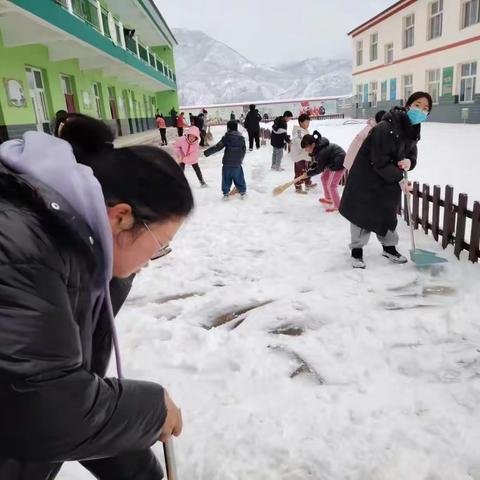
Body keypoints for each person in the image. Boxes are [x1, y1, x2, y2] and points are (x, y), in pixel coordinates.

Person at [0, 113, 193, 479]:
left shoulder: (77, 252)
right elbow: (43, 408)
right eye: (159, 246)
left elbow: (76, 390)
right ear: (121, 217)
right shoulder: (18, 244)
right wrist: (152, 410)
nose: (152, 261)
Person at [339, 91, 433, 269]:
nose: (421, 110)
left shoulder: (413, 129)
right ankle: (356, 252)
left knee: (388, 214)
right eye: (418, 105)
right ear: (408, 106)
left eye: (426, 108)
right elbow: (379, 162)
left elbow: (411, 154)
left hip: (387, 179)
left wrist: (409, 162)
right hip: (367, 178)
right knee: (362, 215)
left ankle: (389, 248)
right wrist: (399, 178)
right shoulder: (385, 127)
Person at [301, 130, 346, 212]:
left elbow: (319, 169)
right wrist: (311, 169)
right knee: (324, 178)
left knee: (331, 185)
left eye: (306, 148)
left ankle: (337, 206)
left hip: (339, 163)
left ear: (313, 145)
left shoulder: (321, 151)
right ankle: (329, 198)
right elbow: (318, 163)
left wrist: (308, 174)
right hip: (333, 161)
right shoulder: (318, 148)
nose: (306, 151)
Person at [204, 120, 247, 200]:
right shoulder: (241, 138)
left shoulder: (226, 137)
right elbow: (243, 150)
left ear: (228, 128)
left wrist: (207, 153)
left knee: (226, 179)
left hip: (227, 163)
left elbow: (217, 147)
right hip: (237, 164)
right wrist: (240, 159)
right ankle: (243, 193)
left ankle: (226, 194)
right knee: (239, 178)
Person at [290, 113, 316, 194]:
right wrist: (305, 144)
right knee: (300, 172)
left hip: (305, 155)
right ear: (301, 122)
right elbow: (299, 141)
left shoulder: (304, 130)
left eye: (309, 122)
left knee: (307, 170)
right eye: (306, 122)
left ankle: (308, 183)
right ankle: (298, 187)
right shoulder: (298, 131)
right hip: (300, 156)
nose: (308, 124)